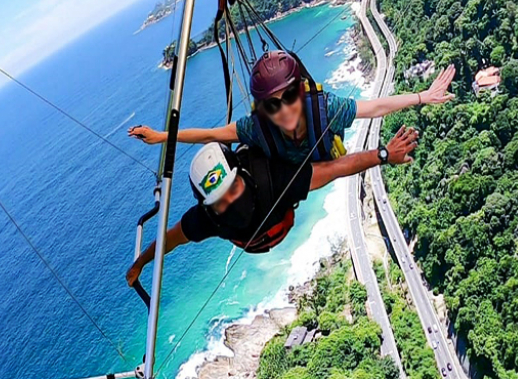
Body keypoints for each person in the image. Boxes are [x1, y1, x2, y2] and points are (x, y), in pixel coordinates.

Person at [126, 126, 419, 286]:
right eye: (219, 202)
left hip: (278, 218)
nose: (230, 202)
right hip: (261, 238)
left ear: (242, 174)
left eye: (233, 189)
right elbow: (170, 240)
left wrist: (384, 153)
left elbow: (338, 167)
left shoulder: (275, 180)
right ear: (207, 205)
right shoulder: (208, 219)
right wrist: (141, 262)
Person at [129, 50, 454, 164]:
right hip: (290, 173)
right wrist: (162, 137)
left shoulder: (325, 109)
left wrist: (423, 96)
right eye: (272, 106)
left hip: (324, 159)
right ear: (263, 109)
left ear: (301, 92)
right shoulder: (256, 127)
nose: (283, 110)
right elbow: (209, 135)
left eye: (289, 99)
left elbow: (376, 107)